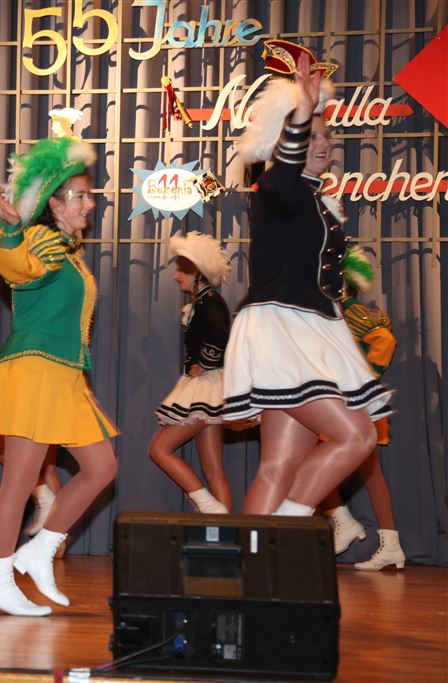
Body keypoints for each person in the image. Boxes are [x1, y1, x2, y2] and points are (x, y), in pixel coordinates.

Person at [224, 48, 392, 515]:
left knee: (279, 465)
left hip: (310, 330)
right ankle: (287, 528)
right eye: (308, 136)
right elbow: (282, 178)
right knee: (356, 436)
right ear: (282, 144)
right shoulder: (277, 191)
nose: (323, 144)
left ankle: (257, 554)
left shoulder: (315, 201)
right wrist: (302, 109)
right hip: (282, 330)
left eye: (326, 136)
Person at [0, 135, 119, 616]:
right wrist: (10, 231)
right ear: (55, 204)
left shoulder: (69, 250)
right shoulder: (42, 240)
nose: (90, 203)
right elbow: (18, 267)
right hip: (35, 371)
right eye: (81, 196)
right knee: (18, 483)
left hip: (65, 376)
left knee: (102, 467)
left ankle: (38, 551)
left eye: (90, 196)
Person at [321, 247, 404, 570]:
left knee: (369, 472)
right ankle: (348, 522)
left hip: (355, 405)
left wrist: (365, 379)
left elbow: (385, 341)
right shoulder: (331, 314)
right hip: (335, 404)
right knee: (320, 463)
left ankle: (382, 541)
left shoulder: (353, 313)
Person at [149, 232, 232, 514]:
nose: (176, 277)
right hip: (209, 386)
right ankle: (225, 528)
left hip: (206, 386)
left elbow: (221, 336)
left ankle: (207, 505)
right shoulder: (204, 301)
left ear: (196, 273)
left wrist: (205, 363)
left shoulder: (211, 302)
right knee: (213, 468)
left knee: (159, 449)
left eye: (180, 271)